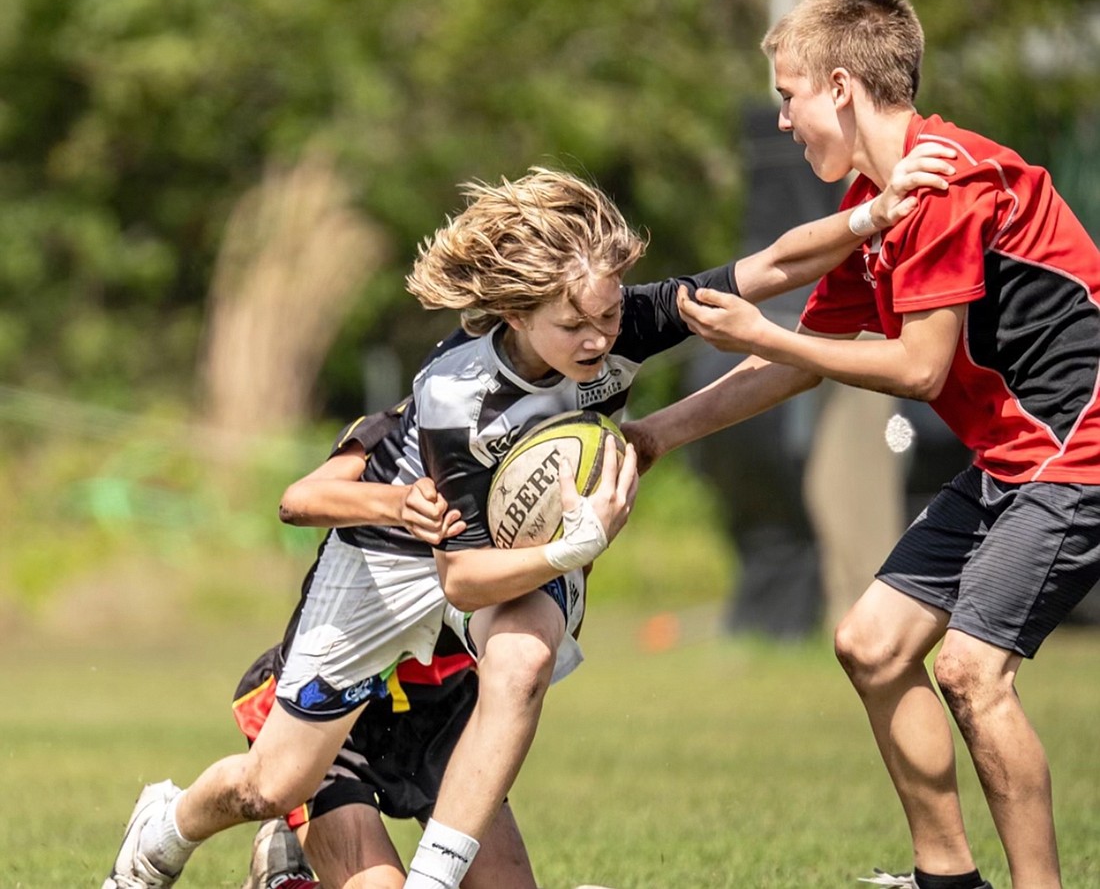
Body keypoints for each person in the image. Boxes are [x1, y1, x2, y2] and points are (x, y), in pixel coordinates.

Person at [103, 161, 948, 889]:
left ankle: (433, 872)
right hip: (389, 567)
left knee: (524, 648)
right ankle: (165, 828)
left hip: (505, 554)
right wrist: (574, 546)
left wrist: (870, 215)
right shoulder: (456, 398)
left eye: (607, 318)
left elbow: (767, 266)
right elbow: (459, 576)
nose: (597, 340)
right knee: (269, 780)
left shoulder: (620, 323)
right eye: (573, 326)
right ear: (514, 313)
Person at [622, 0, 1100, 889]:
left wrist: (764, 329)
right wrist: (656, 434)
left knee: (969, 669)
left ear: (839, 87)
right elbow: (804, 358)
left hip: (1079, 455)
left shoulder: (946, 181)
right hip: (1013, 458)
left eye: (787, 95)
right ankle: (947, 879)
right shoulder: (880, 207)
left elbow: (917, 369)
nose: (782, 123)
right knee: (872, 645)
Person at [230, 403, 541, 889]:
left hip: (441, 715)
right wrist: (398, 504)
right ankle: (281, 871)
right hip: (341, 716)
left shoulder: (547, 434)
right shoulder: (404, 423)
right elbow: (300, 500)